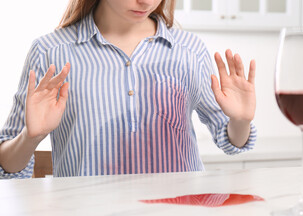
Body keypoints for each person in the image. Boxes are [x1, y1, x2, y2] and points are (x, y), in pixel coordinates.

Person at [0, 0, 256, 178]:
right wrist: (29, 137)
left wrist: (240, 120)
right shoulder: (50, 52)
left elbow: (233, 141)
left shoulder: (189, 50)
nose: (146, 1)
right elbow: (7, 165)